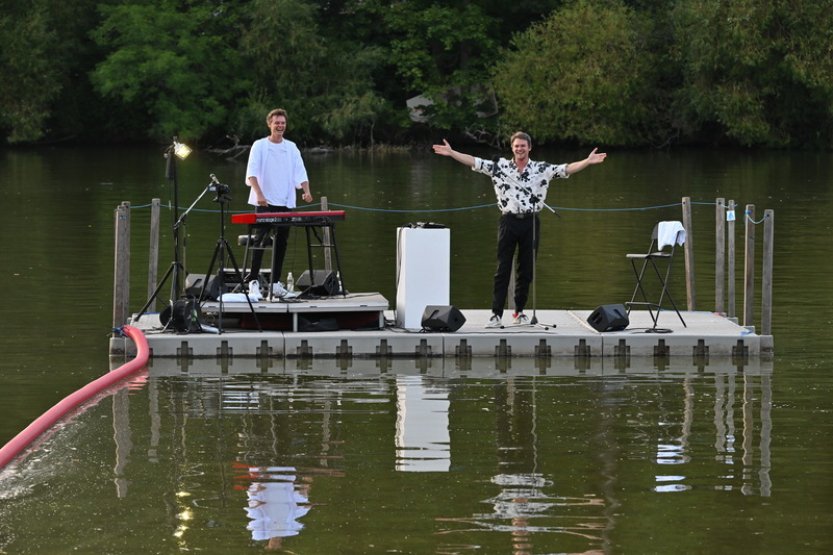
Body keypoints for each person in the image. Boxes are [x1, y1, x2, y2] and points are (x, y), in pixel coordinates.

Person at [432, 132, 606, 327]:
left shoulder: (541, 168)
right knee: (502, 269)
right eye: (516, 146)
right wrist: (452, 152)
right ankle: (496, 315)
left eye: (523, 146)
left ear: (529, 147)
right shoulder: (500, 167)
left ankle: (519, 312)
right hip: (508, 221)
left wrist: (587, 161)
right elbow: (474, 161)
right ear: (512, 148)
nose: (519, 149)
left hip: (531, 221)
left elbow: (566, 169)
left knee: (526, 270)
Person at [243, 108, 314, 294]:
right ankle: (253, 283)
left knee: (282, 241)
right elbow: (251, 172)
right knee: (259, 240)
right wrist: (259, 194)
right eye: (277, 123)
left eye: (282, 123)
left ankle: (275, 283)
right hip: (264, 202)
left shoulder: (291, 147)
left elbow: (301, 171)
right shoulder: (259, 145)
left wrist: (306, 191)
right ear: (269, 124)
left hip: (285, 202)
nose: (280, 126)